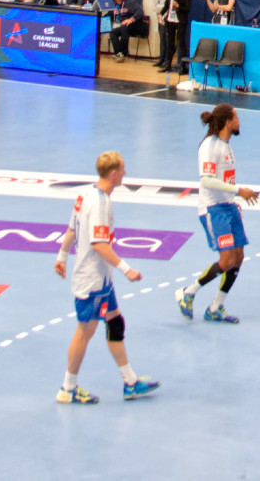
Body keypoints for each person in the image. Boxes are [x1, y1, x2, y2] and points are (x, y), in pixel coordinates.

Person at [54, 151, 156, 404]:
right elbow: (99, 244)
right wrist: (126, 269)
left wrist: (61, 257)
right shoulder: (100, 203)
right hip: (92, 282)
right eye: (123, 169)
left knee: (115, 322)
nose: (125, 173)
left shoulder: (84, 194)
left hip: (102, 281)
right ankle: (68, 388)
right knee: (84, 333)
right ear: (113, 173)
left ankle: (130, 382)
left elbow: (71, 229)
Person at [178, 104, 258, 324]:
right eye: (236, 116)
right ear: (227, 121)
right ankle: (188, 292)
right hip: (213, 210)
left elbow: (224, 179)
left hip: (229, 207)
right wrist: (237, 191)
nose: (239, 120)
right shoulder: (209, 146)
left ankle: (216, 306)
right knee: (226, 260)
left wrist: (233, 200)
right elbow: (206, 180)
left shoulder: (226, 145)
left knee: (238, 258)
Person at [158, 0, 194, 77]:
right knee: (170, 42)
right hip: (170, 19)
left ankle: (182, 66)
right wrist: (160, 14)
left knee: (181, 43)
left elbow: (187, 9)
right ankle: (167, 64)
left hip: (180, 20)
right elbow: (166, 5)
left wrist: (178, 6)